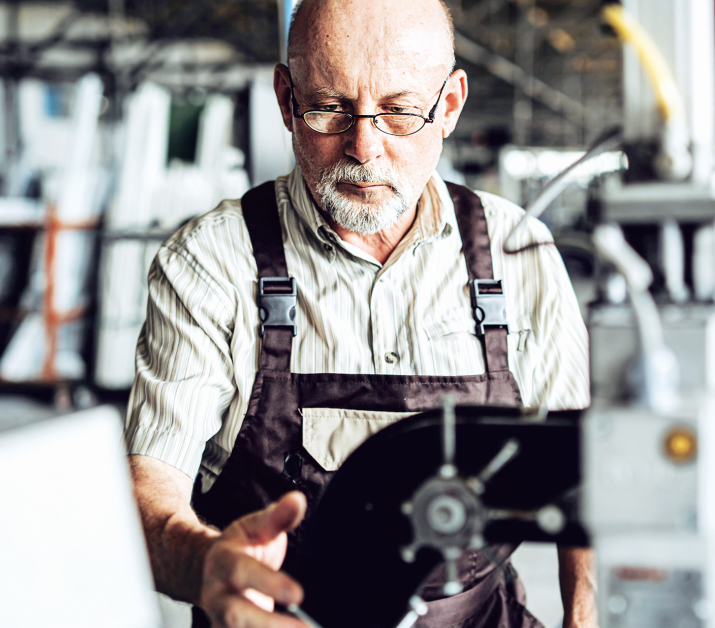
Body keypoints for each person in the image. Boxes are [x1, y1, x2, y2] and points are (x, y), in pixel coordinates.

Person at [124, 0, 594, 626]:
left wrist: (583, 615)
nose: (364, 147)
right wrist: (205, 563)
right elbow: (146, 491)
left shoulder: (518, 254)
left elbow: (584, 469)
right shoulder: (211, 264)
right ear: (287, 99)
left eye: (400, 112)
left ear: (448, 106)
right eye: (329, 108)